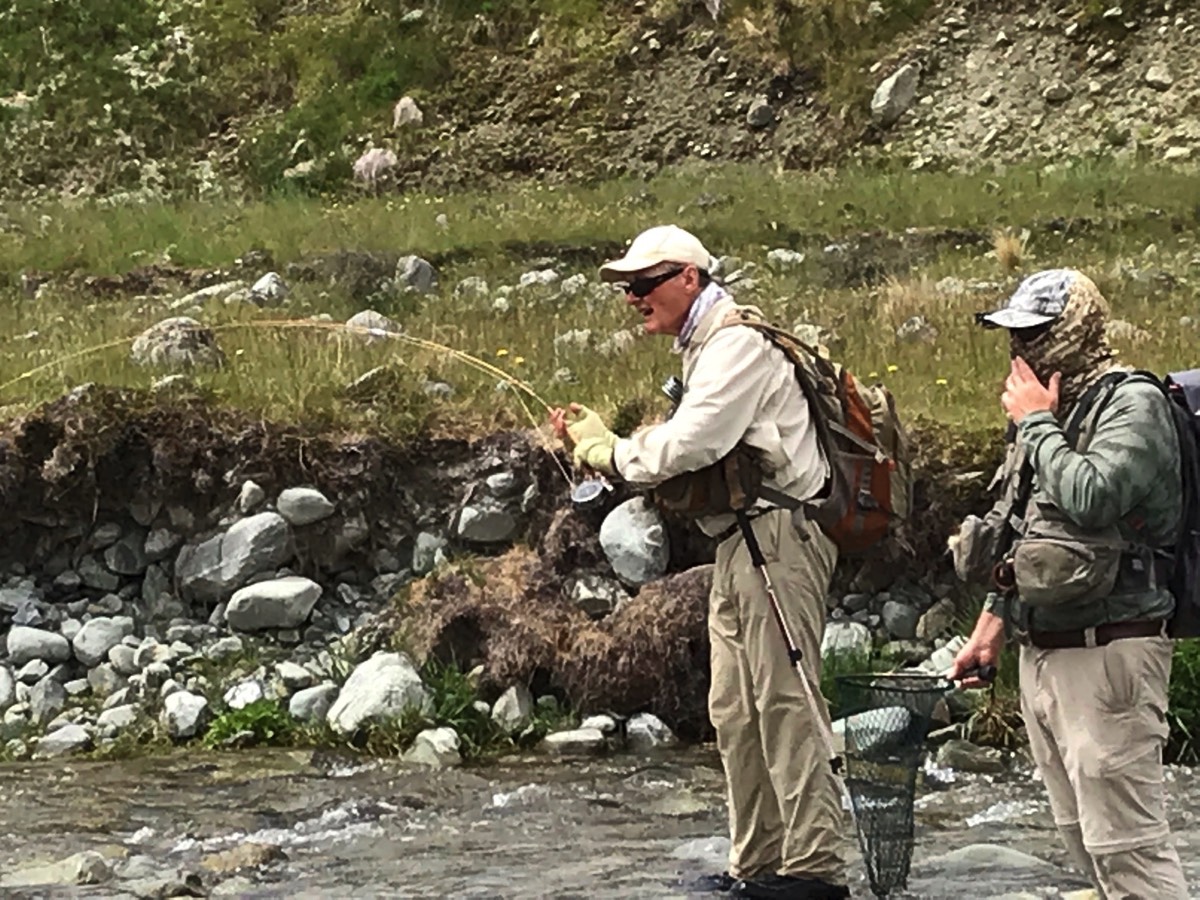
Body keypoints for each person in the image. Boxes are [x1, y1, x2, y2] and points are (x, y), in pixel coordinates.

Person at [549, 225, 849, 900]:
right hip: (739, 544)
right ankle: (758, 866)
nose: (632, 298)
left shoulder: (736, 343)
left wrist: (607, 451)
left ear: (690, 277)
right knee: (734, 709)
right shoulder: (704, 346)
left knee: (785, 701)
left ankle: (816, 871)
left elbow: (689, 443)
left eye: (644, 284)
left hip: (782, 540)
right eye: (627, 288)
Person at [948, 268, 1190, 899]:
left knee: (1130, 853)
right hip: (1044, 652)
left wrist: (1035, 424)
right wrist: (991, 630)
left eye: (1034, 333)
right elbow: (1029, 533)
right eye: (1014, 335)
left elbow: (1091, 495)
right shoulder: (1056, 409)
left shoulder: (1132, 404)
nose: (1020, 351)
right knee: (1087, 846)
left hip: (1111, 652)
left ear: (1074, 331)